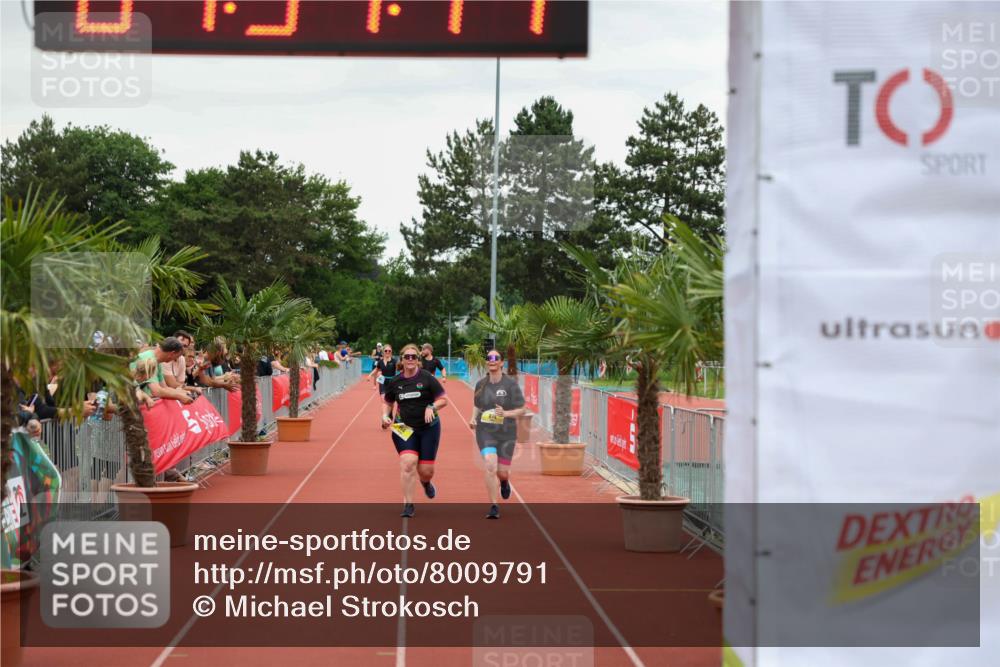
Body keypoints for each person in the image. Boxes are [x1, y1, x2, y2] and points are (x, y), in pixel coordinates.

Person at [381, 344, 448, 518]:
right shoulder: (395, 381)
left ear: (418, 360)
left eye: (413, 357)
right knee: (408, 462)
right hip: (403, 427)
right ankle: (409, 504)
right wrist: (384, 415)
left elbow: (443, 400)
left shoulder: (427, 378)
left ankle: (426, 484)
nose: (410, 359)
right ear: (401, 360)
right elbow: (388, 402)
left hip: (428, 428)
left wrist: (432, 406)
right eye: (407, 357)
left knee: (426, 471)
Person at [468, 349, 526, 519]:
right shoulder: (481, 384)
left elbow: (522, 409)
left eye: (496, 358)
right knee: (490, 464)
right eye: (489, 358)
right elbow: (477, 405)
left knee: (502, 472)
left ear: (501, 362)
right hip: (485, 431)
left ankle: (504, 481)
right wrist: (473, 418)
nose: (492, 360)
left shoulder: (510, 384)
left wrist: (506, 414)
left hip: (507, 433)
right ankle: (494, 505)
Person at [130, 338, 194, 404]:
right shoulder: (149, 359)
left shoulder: (157, 361)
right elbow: (156, 391)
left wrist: (182, 393)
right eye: (176, 357)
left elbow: (164, 387)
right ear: (172, 353)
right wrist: (179, 396)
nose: (175, 359)